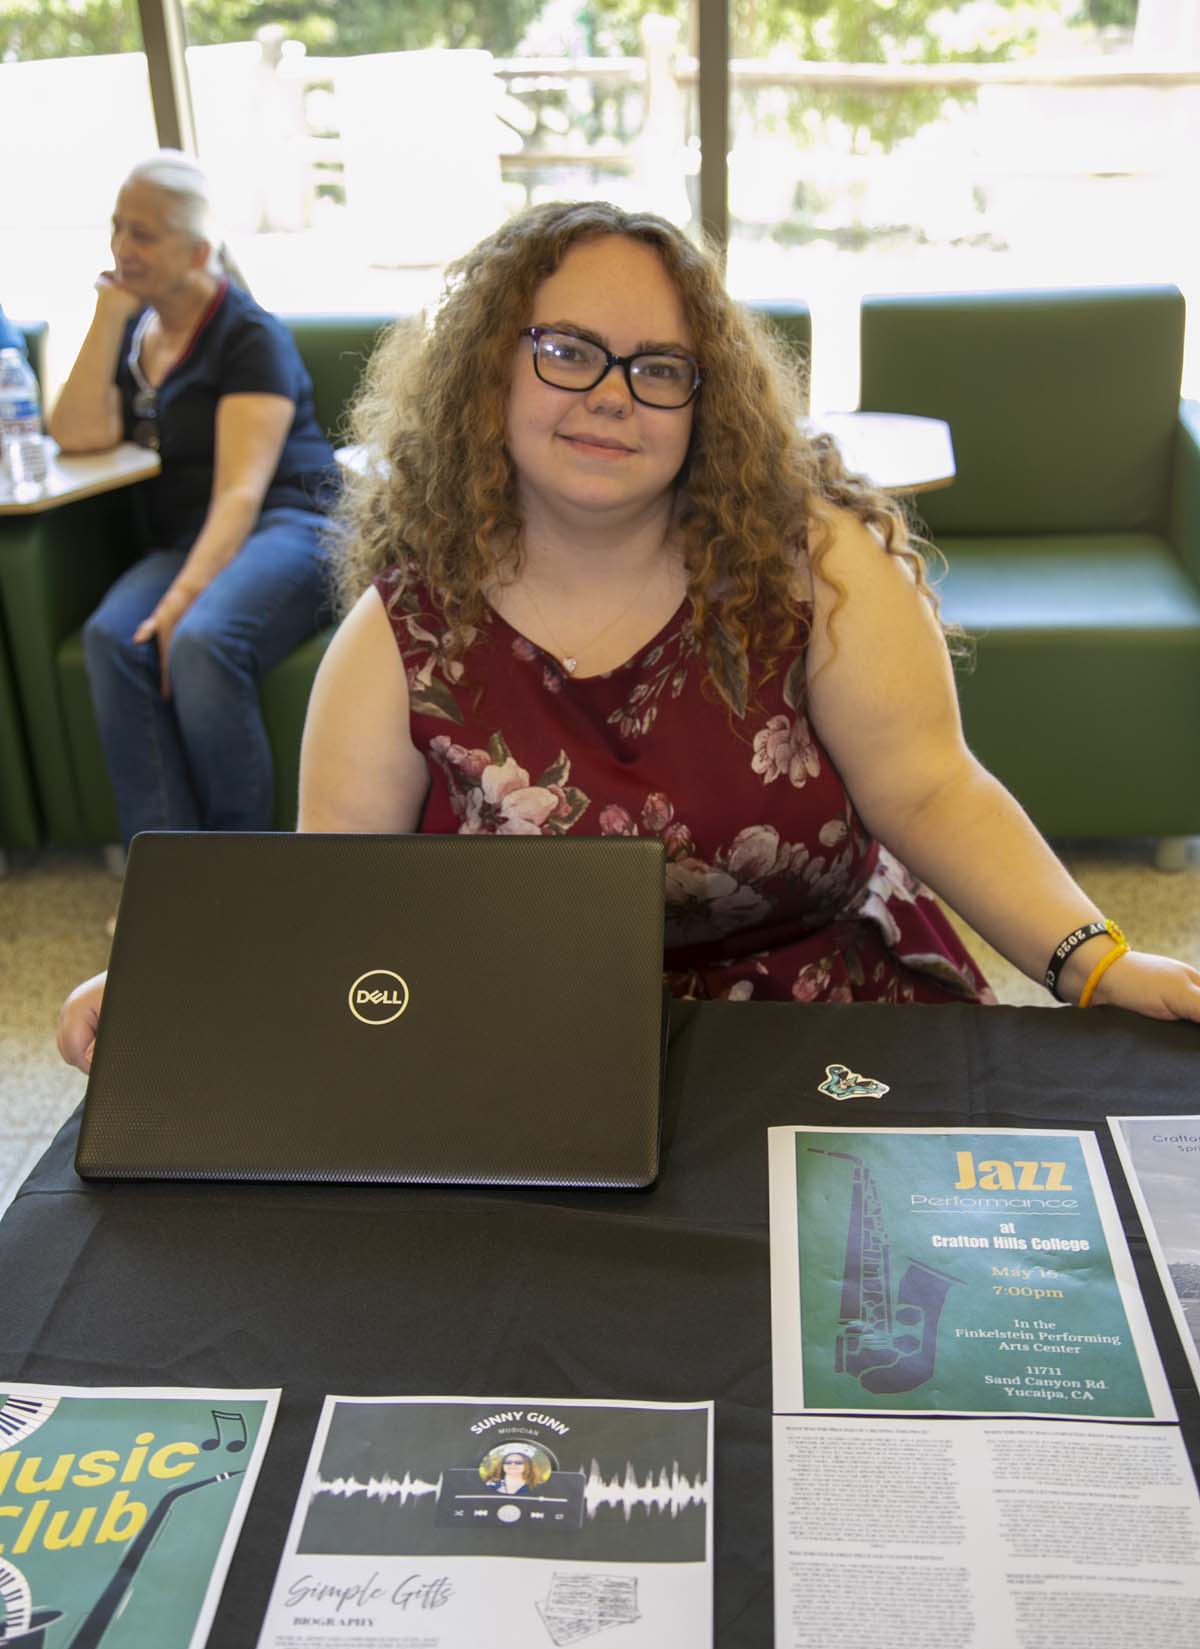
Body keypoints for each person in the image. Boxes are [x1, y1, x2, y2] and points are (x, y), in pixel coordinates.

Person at [57, 200, 1200, 1070]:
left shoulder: (814, 560)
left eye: (658, 369)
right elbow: (340, 896)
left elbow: (933, 790)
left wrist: (1093, 960)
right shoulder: (399, 634)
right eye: (567, 350)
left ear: (706, 403)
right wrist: (190, 980)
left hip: (831, 1029)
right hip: (526, 1052)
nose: (612, 395)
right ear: (489, 374)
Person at [48, 151, 338, 848]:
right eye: (117, 227)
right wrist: (107, 314)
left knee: (204, 641)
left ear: (200, 251)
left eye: (144, 235)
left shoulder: (249, 336)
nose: (122, 247)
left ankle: (239, 867)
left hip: (290, 523)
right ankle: (169, 864)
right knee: (111, 638)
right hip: (190, 537)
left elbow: (240, 492)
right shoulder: (135, 329)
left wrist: (181, 602)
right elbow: (76, 433)